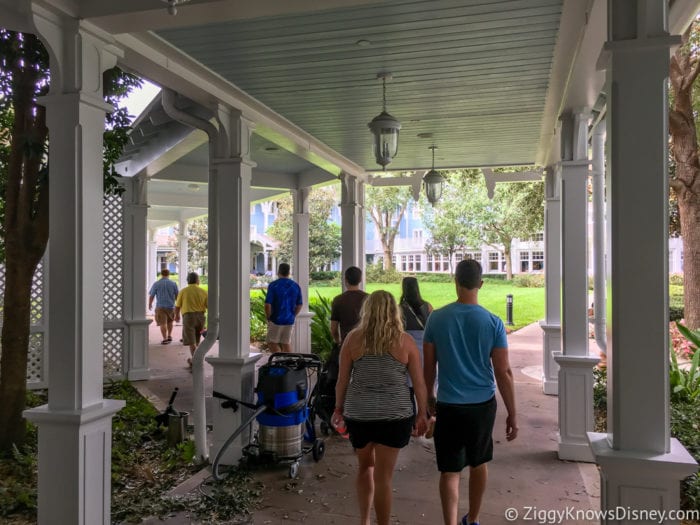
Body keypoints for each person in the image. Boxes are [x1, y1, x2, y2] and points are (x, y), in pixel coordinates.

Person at [423, 259, 518, 525]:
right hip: (482, 405)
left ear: (455, 281)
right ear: (481, 284)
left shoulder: (436, 318)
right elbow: (503, 371)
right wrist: (513, 413)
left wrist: (428, 399)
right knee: (479, 463)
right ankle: (473, 519)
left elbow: (428, 366)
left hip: (449, 404)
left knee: (450, 470)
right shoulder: (493, 322)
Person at [332, 291, 428, 525]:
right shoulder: (404, 341)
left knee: (365, 468)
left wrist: (338, 408)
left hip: (359, 415)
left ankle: (364, 521)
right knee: (384, 476)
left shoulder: (353, 339)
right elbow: (419, 383)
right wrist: (422, 413)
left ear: (367, 310)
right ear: (394, 312)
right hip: (394, 416)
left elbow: (342, 380)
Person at [265, 263, 303, 353]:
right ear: (289, 272)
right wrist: (293, 315)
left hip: (276, 319)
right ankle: (288, 364)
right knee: (286, 343)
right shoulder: (295, 286)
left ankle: (280, 363)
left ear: (278, 272)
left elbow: (267, 304)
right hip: (289, 320)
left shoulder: (274, 285)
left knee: (271, 342)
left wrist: (268, 317)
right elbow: (299, 304)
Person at [174, 272, 208, 369]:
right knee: (197, 340)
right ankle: (195, 360)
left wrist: (176, 316)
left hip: (188, 317)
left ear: (188, 280)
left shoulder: (183, 291)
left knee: (191, 341)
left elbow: (177, 306)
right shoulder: (203, 291)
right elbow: (209, 306)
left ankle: (195, 362)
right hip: (201, 317)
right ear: (197, 280)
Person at [330, 266, 369, 346]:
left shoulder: (338, 300)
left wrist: (338, 342)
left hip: (347, 343)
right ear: (360, 280)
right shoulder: (369, 298)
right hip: (365, 343)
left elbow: (333, 328)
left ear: (345, 279)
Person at [399, 276, 433, 353]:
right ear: (417, 288)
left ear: (403, 288)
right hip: (424, 347)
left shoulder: (399, 308)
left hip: (406, 347)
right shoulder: (428, 306)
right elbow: (433, 327)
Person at [148, 268, 179, 344]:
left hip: (160, 307)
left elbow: (152, 295)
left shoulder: (156, 284)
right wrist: (177, 305)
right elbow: (177, 296)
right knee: (170, 322)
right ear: (169, 274)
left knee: (163, 323)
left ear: (161, 274)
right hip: (171, 306)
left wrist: (150, 304)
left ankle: (164, 338)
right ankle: (169, 336)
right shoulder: (173, 284)